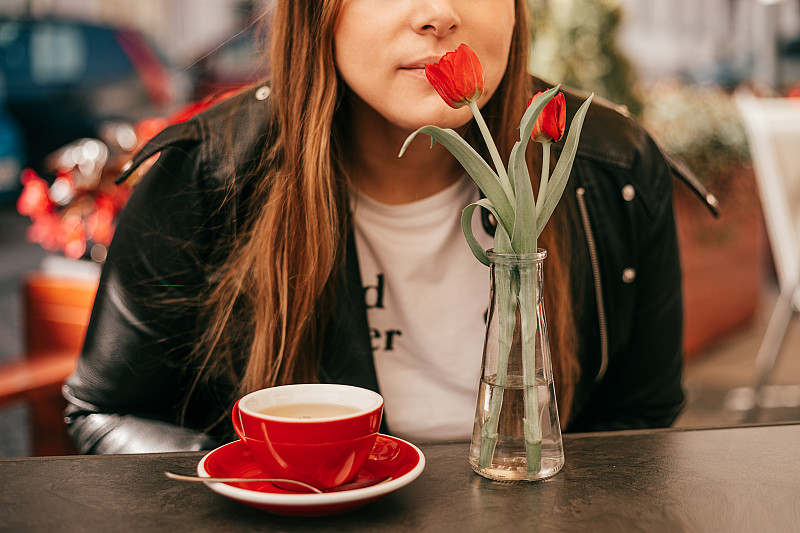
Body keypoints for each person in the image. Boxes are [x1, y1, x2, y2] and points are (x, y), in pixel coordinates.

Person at [63, 0, 714, 454]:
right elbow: (106, 412)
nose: (438, 13)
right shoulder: (205, 175)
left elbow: (642, 421)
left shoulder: (612, 167)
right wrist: (239, 480)